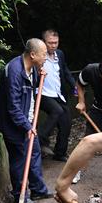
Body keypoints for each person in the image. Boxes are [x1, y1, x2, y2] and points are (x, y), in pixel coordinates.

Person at [0, 38, 52, 203]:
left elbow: (32, 89)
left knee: (34, 152)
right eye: (43, 54)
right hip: (12, 123)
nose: (45, 58)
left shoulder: (32, 68)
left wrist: (40, 77)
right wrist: (26, 126)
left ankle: (38, 189)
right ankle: (20, 196)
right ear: (32, 54)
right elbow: (13, 107)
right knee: (19, 158)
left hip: (27, 119)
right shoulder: (15, 72)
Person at [37, 29, 77, 161]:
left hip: (58, 94)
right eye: (50, 43)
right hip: (42, 93)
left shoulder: (59, 54)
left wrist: (74, 86)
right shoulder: (38, 55)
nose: (53, 45)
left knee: (66, 122)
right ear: (43, 42)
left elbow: (65, 70)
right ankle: (40, 140)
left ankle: (60, 153)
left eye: (56, 42)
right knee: (57, 110)